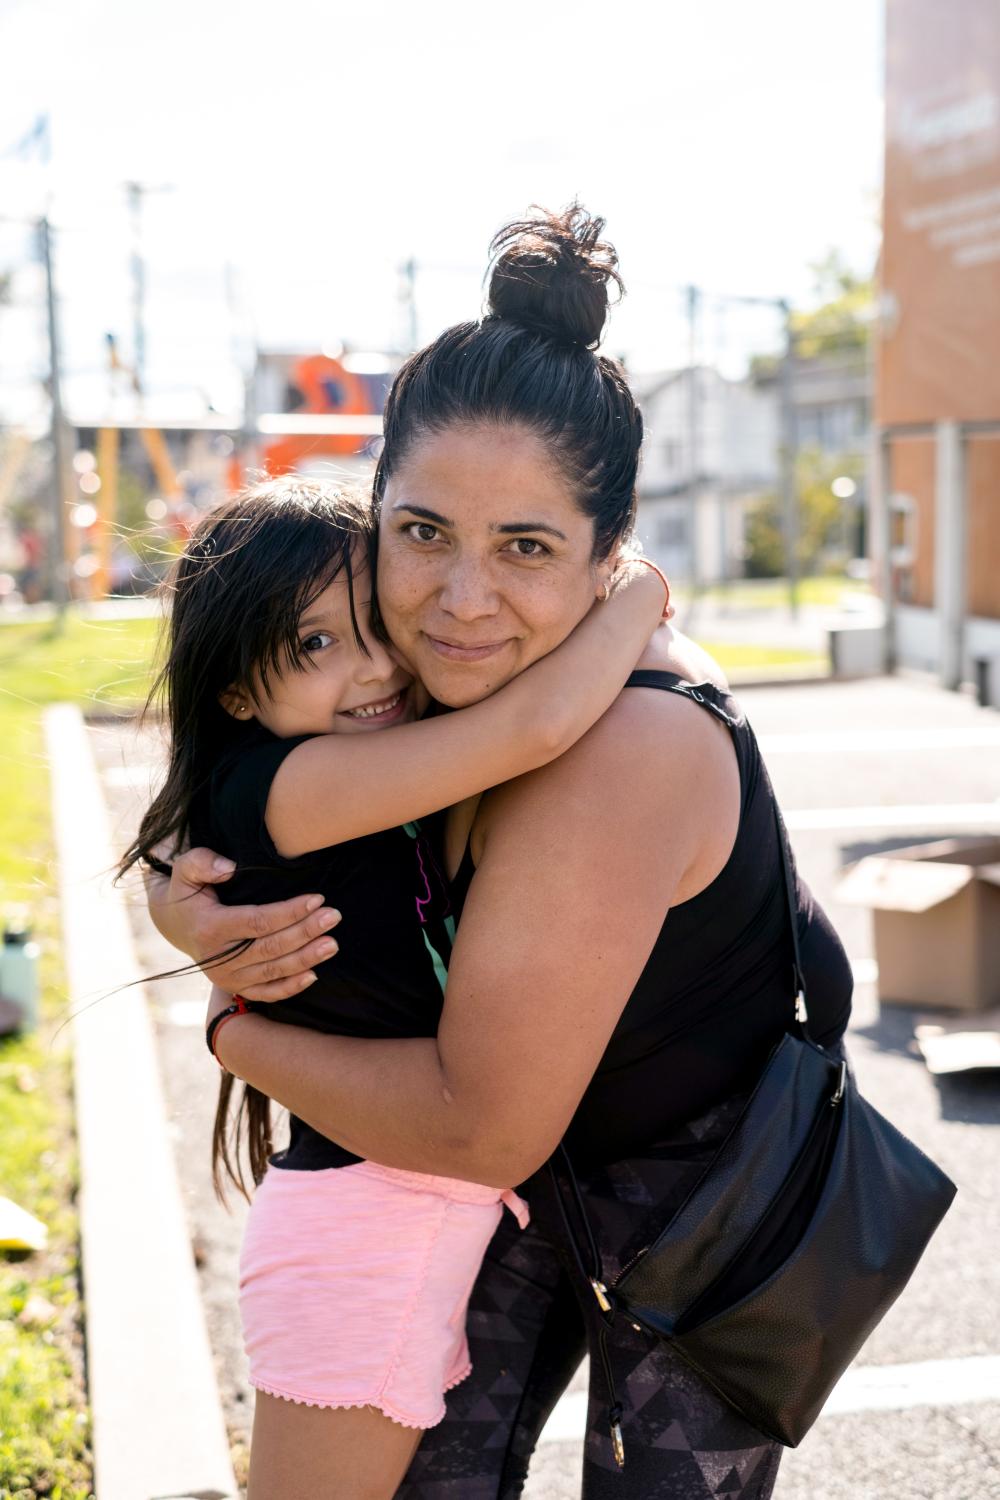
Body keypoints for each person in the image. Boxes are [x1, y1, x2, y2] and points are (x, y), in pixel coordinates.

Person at [148, 206, 854, 1500]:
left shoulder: (622, 741)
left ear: (607, 549)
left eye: (526, 548)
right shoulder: (409, 685)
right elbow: (248, 790)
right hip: (521, 1179)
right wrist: (192, 896)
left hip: (711, 1192)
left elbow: (477, 1124)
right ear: (375, 518)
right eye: (423, 534)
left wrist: (235, 1029)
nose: (458, 603)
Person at [122, 472, 667, 1498]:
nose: (374, 667)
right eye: (317, 644)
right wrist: (632, 589)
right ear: (237, 691)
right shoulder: (290, 785)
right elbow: (533, 728)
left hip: (407, 1196)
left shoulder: (341, 760)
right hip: (367, 1226)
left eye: (374, 623)